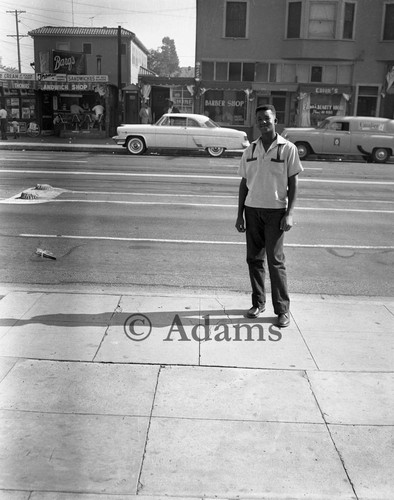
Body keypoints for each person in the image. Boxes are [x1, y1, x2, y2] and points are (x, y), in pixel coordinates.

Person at [235, 104, 303, 327]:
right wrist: (240, 215)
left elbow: (293, 183)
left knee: (275, 262)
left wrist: (289, 213)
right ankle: (258, 302)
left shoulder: (288, 149)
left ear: (275, 120)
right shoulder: (250, 150)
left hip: (275, 212)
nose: (263, 122)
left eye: (267, 118)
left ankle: (282, 310)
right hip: (252, 210)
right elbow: (244, 184)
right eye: (259, 119)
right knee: (254, 259)